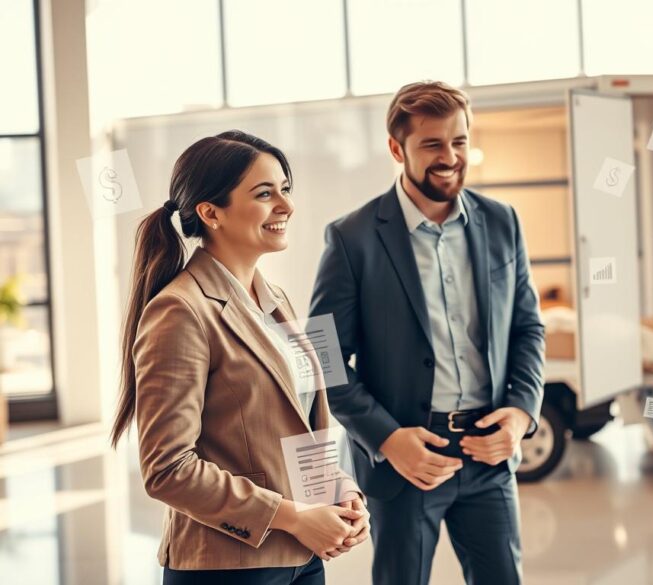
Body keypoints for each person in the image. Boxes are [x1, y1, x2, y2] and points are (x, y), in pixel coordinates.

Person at [310, 81, 546, 585]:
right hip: (407, 460)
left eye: (459, 142)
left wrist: (521, 414)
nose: (450, 157)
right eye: (433, 144)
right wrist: (388, 439)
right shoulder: (352, 238)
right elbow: (322, 360)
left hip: (489, 452)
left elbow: (527, 327)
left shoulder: (503, 222)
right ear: (397, 149)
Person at [110, 130, 370, 585]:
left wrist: (340, 490)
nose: (286, 206)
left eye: (285, 190)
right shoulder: (180, 310)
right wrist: (291, 516)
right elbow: (168, 469)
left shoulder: (279, 301)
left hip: (303, 558)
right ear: (211, 213)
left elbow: (300, 423)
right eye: (265, 193)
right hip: (227, 567)